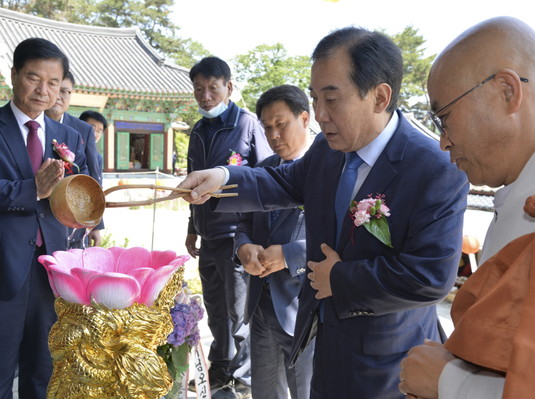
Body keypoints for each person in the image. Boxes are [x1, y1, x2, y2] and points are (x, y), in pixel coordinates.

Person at [177, 26, 468, 399]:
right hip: (323, 343)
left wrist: (341, 279)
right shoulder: (327, 151)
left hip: (389, 362)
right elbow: (280, 183)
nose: (320, 114)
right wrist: (220, 177)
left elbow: (429, 276)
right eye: (315, 98)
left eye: (332, 99)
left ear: (380, 97)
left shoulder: (433, 168)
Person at [399, 16, 535, 399]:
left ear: (506, 91)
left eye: (444, 117)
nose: (442, 142)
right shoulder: (524, 192)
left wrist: (451, 383)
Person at [0, 37, 87, 399]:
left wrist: (88, 218)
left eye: (54, 83)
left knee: (43, 372)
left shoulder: (69, 136)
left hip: (52, 271)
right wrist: (33, 190)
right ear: (13, 75)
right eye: (33, 78)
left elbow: (80, 197)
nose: (43, 90)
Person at [185, 56, 272, 399]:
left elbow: (269, 179)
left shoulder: (249, 125)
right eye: (199, 89)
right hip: (207, 236)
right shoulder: (197, 130)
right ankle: (219, 369)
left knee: (239, 313)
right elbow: (192, 188)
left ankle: (243, 378)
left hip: (236, 237)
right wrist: (192, 226)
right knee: (216, 311)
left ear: (229, 87)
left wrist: (252, 236)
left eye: (213, 87)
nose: (205, 96)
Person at [234, 85, 313, 399]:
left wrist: (290, 255)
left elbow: (344, 240)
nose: (274, 134)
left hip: (306, 309)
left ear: (304, 119)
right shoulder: (262, 172)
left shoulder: (328, 171)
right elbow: (242, 224)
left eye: (282, 125)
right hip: (262, 306)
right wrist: (243, 247)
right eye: (267, 127)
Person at [45, 71, 103, 248]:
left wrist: (96, 224)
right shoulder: (31, 125)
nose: (59, 96)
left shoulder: (82, 130)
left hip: (73, 217)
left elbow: (93, 175)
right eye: (55, 88)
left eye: (65, 91)